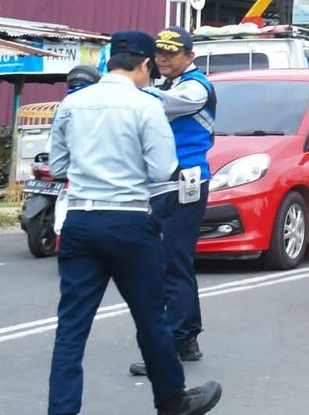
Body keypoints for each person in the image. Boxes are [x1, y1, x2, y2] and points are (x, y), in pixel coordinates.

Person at [46, 31, 222, 415]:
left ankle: (61, 409)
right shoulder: (146, 105)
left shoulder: (72, 102)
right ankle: (171, 400)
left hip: (79, 221)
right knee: (150, 318)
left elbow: (57, 166)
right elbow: (162, 169)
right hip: (128, 221)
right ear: (143, 64)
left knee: (71, 327)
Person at [129, 27, 215, 379]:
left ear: (189, 56)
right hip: (167, 183)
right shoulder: (170, 84)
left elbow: (160, 105)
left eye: (171, 53)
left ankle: (173, 343)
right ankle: (187, 337)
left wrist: (123, 86)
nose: (162, 58)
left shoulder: (195, 87)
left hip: (182, 183)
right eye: (159, 52)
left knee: (171, 264)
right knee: (176, 262)